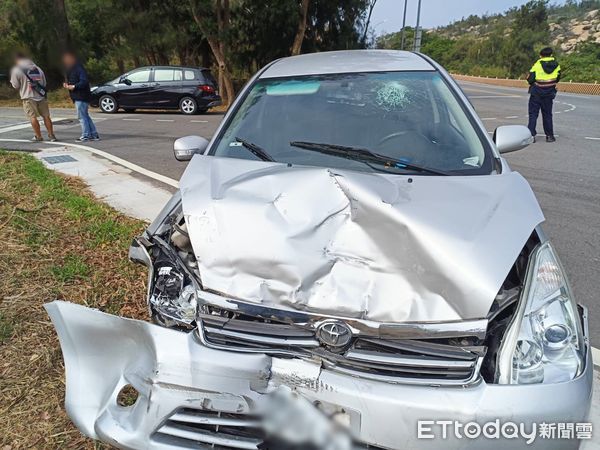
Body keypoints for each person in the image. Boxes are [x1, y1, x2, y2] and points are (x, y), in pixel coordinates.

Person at [10, 52, 57, 142]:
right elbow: (44, 83)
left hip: (28, 97)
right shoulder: (38, 69)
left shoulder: (16, 69)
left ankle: (38, 136)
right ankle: (51, 135)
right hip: (41, 96)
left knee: (32, 117)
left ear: (17, 60)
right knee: (46, 116)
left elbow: (15, 85)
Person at [62, 50, 100, 142]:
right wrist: (68, 85)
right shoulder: (71, 69)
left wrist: (74, 86)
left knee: (82, 117)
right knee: (85, 116)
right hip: (79, 96)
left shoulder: (78, 68)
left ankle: (85, 136)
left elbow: (84, 81)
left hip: (81, 96)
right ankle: (94, 135)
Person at [527, 47, 561, 143]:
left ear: (541, 55)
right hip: (549, 93)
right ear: (551, 55)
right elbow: (557, 78)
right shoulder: (556, 65)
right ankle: (549, 136)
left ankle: (531, 135)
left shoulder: (537, 65)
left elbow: (530, 79)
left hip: (536, 92)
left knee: (533, 114)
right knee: (547, 115)